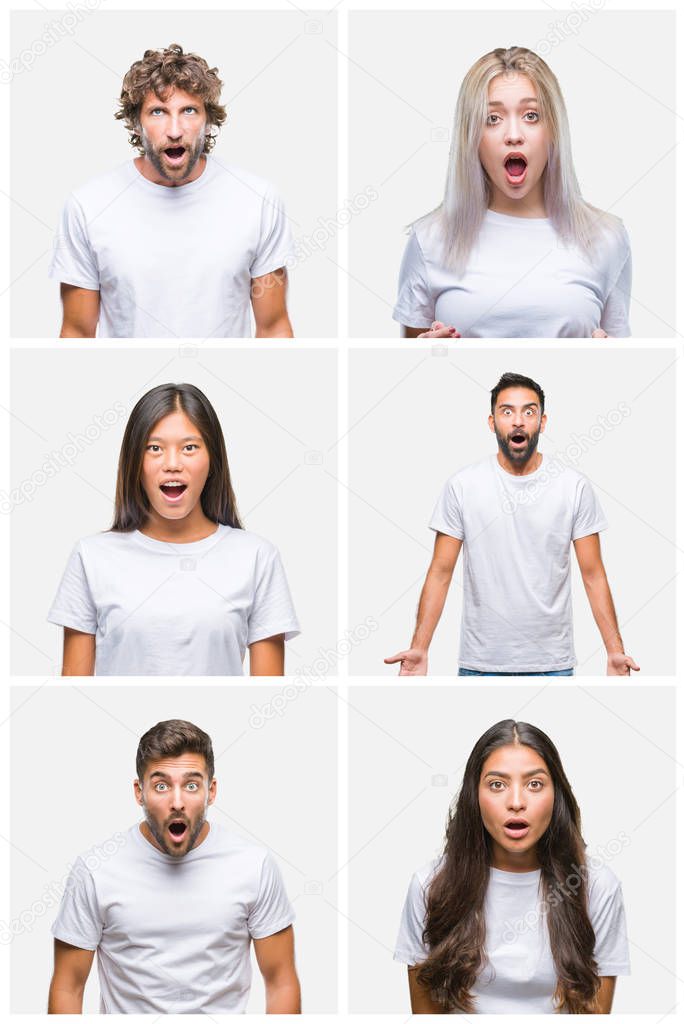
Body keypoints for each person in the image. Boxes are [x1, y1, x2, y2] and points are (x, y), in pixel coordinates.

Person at [384, 372, 638, 676]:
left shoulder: (573, 487)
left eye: (529, 412)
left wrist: (614, 651)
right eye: (507, 411)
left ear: (542, 423)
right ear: (492, 423)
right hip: (480, 664)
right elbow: (440, 572)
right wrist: (420, 648)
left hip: (552, 664)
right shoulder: (463, 485)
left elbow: (593, 575)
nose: (518, 421)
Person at [47, 719, 300, 1013]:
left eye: (191, 785)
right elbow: (68, 986)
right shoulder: (94, 870)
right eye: (161, 785)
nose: (177, 802)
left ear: (211, 791)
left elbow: (281, 981)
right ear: (139, 792)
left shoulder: (254, 866)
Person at [49, 382, 299, 675]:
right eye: (154, 448)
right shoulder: (90, 556)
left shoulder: (257, 556)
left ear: (212, 459)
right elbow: (75, 691)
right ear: (134, 461)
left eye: (189, 447)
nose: (172, 464)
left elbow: (266, 690)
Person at [51, 43, 294, 338]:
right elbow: (77, 333)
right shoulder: (87, 205)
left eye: (189, 110)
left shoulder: (258, 200)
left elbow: (274, 327)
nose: (175, 130)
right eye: (158, 112)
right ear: (136, 123)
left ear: (208, 122)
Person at [393, 46, 631, 338]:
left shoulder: (606, 237)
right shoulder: (429, 239)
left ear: (553, 130)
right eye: (492, 118)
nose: (514, 135)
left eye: (531, 116)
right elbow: (411, 367)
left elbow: (622, 371)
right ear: (472, 137)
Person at [395, 719, 629, 1013]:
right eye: (497, 784)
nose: (516, 802)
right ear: (474, 797)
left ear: (556, 795)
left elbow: (594, 1015)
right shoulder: (430, 884)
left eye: (534, 784)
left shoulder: (596, 886)